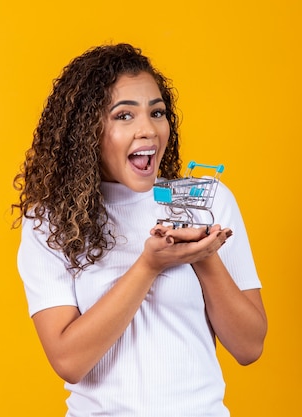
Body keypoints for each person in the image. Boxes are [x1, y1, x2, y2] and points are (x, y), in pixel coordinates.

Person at [13, 43, 267, 417]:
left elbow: (249, 347)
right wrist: (149, 266)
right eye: (124, 116)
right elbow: (68, 360)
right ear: (86, 132)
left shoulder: (206, 201)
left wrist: (203, 255)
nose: (148, 129)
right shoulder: (50, 222)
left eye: (157, 112)